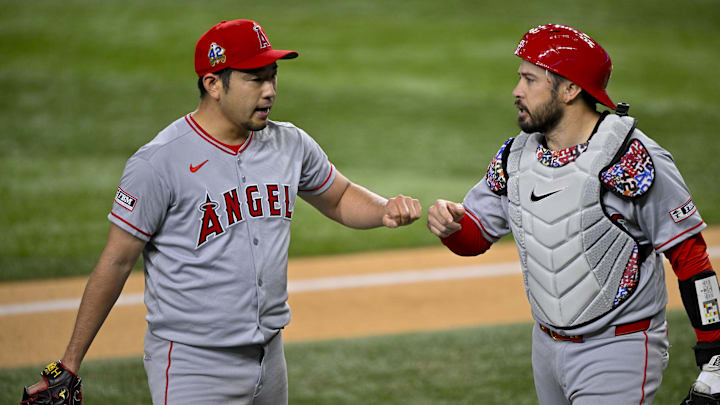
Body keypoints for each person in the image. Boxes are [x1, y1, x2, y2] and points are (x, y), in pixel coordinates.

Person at [21, 19, 421, 405]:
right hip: (195, 366)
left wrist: (383, 209)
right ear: (213, 84)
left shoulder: (290, 144)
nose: (269, 91)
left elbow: (337, 196)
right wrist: (70, 361)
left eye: (272, 76)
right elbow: (116, 260)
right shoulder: (159, 162)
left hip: (270, 356)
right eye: (255, 79)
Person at [427, 24, 719, 404]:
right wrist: (451, 226)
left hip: (617, 348)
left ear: (570, 89)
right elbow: (475, 238)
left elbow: (690, 256)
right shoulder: (516, 158)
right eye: (519, 78)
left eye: (530, 80)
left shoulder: (630, 158)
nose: (516, 91)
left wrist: (714, 351)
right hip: (546, 346)